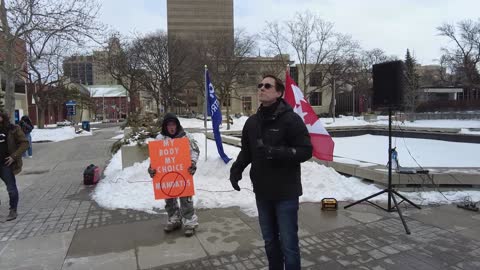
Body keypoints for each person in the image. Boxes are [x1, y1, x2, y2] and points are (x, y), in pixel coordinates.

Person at [229, 75, 312, 270]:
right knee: (269, 241)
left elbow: (306, 150)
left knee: (289, 244)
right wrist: (237, 169)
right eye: (260, 85)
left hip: (286, 192)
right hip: (263, 191)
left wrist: (277, 152)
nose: (262, 89)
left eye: (267, 86)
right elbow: (247, 151)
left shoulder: (291, 119)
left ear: (279, 92)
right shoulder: (252, 122)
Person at [148, 113, 200, 237]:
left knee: (185, 198)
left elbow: (195, 150)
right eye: (169, 125)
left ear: (177, 125)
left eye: (173, 124)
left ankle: (189, 222)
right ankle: (174, 219)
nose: (171, 127)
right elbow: (155, 157)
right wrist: (151, 168)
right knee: (169, 198)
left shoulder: (185, 137)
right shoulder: (160, 139)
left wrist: (192, 163)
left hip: (183, 173)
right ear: (165, 126)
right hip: (166, 175)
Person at [0, 111, 29, 221]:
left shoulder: (13, 129)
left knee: (11, 188)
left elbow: (25, 143)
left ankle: (13, 210)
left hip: (6, 164)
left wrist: (14, 156)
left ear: (2, 117)